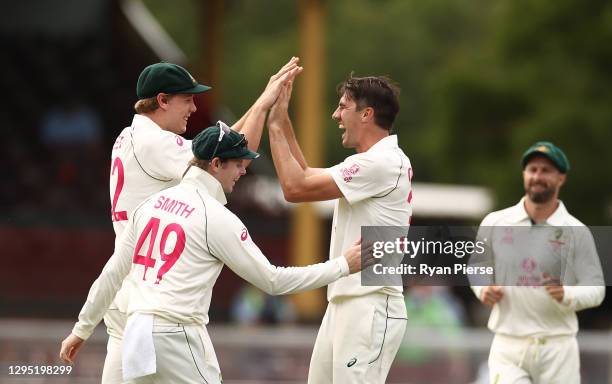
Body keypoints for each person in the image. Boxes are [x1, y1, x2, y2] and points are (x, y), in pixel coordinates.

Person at [59, 125, 369, 383]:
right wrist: (343, 265)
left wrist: (81, 329)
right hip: (177, 332)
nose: (242, 172)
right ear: (216, 164)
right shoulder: (215, 218)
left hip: (136, 330)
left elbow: (112, 274)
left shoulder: (150, 205)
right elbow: (273, 281)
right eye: (238, 164)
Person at [101, 58, 302, 383]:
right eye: (187, 99)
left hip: (131, 294)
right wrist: (264, 105)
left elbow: (218, 149)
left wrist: (261, 105)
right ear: (162, 100)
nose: (194, 108)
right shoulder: (155, 144)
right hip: (150, 302)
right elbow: (228, 157)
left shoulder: (130, 135)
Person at [266, 74, 412, 383]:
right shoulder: (375, 162)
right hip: (348, 301)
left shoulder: (381, 163)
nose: (336, 115)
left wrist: (274, 126)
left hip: (370, 302)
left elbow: (295, 187)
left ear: (366, 113)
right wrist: (281, 117)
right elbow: (303, 172)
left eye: (342, 106)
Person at [471, 141, 605, 384]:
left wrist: (568, 294)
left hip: (558, 347)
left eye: (546, 171)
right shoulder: (496, 222)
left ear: (560, 178)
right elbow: (476, 266)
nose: (537, 176)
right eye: (532, 169)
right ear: (524, 174)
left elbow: (596, 289)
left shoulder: (576, 231)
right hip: (508, 344)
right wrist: (483, 288)